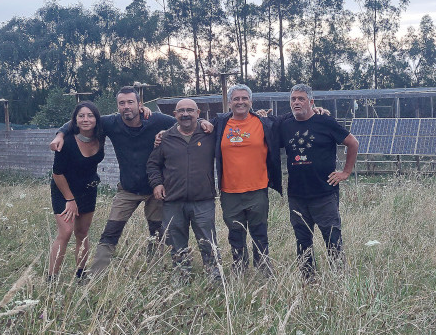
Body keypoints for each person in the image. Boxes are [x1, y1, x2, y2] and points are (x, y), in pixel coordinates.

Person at [49, 86, 213, 276]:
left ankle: (154, 269)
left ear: (139, 104)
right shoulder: (110, 123)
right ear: (117, 106)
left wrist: (201, 122)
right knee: (111, 232)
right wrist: (60, 134)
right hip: (127, 189)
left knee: (157, 233)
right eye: (122, 103)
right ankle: (96, 273)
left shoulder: (156, 120)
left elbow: (183, 119)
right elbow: (81, 121)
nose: (126, 107)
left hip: (155, 190)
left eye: (130, 102)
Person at [278, 84, 358, 280]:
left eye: (301, 99)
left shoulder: (325, 122)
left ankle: (340, 279)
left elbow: (353, 143)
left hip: (324, 194)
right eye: (293, 99)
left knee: (332, 239)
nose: (296, 102)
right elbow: (267, 129)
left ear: (311, 102)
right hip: (297, 196)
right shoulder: (285, 125)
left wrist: (345, 172)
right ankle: (308, 280)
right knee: (303, 242)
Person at [146, 99, 221, 282]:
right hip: (173, 201)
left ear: (198, 112)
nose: (185, 114)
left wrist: (206, 122)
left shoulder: (208, 134)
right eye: (181, 111)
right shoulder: (165, 138)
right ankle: (181, 277)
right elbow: (152, 165)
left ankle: (214, 277)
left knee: (208, 242)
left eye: (190, 110)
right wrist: (157, 184)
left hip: (203, 200)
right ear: (175, 114)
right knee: (176, 243)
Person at [213, 84, 281, 275]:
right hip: (229, 191)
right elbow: (192, 122)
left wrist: (316, 110)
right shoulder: (219, 123)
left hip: (257, 189)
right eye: (236, 99)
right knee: (235, 233)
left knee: (259, 232)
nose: (240, 102)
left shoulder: (265, 123)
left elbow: (290, 119)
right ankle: (239, 268)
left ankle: (263, 268)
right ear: (229, 103)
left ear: (251, 101)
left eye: (244, 98)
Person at [48, 101, 105, 281]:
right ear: (75, 120)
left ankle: (80, 275)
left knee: (82, 233)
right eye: (81, 116)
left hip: (88, 190)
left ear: (96, 119)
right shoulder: (66, 142)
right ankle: (52, 279)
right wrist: (70, 200)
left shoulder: (101, 135)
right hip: (63, 190)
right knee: (65, 232)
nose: (86, 119)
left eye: (90, 115)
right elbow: (57, 173)